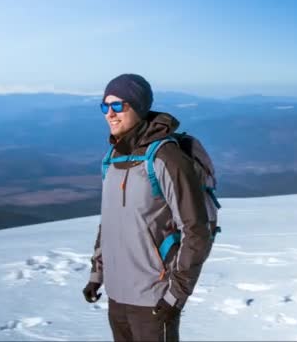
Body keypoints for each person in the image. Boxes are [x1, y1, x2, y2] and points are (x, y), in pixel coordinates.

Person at [82, 74, 212, 341]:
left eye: (118, 105)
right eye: (105, 106)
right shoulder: (112, 158)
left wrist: (176, 295)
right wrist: (97, 275)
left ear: (138, 107)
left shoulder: (166, 158)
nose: (110, 114)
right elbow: (109, 224)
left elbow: (196, 230)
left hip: (154, 298)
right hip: (117, 297)